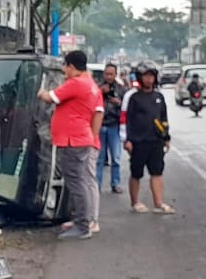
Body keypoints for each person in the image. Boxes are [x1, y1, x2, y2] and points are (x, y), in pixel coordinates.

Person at [39, 50, 104, 239]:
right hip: (78, 139)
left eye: (65, 66)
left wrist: (41, 92)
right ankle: (81, 220)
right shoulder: (90, 84)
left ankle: (83, 225)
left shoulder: (76, 83)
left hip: (73, 140)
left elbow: (50, 97)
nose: (63, 70)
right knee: (79, 181)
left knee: (77, 182)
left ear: (72, 67)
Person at [124, 63, 174, 214]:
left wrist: (166, 137)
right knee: (136, 173)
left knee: (157, 172)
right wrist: (127, 140)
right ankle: (135, 202)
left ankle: (158, 203)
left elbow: (164, 118)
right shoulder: (134, 98)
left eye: (151, 76)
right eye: (146, 76)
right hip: (138, 141)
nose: (149, 79)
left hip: (156, 141)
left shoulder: (159, 97)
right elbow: (128, 120)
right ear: (140, 78)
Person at [96, 63, 126, 194]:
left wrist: (118, 103)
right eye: (106, 74)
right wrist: (100, 93)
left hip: (114, 125)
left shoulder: (121, 89)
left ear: (115, 74)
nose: (108, 76)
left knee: (116, 158)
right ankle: (96, 185)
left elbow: (127, 109)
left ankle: (116, 183)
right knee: (99, 159)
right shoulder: (97, 88)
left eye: (111, 74)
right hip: (100, 125)